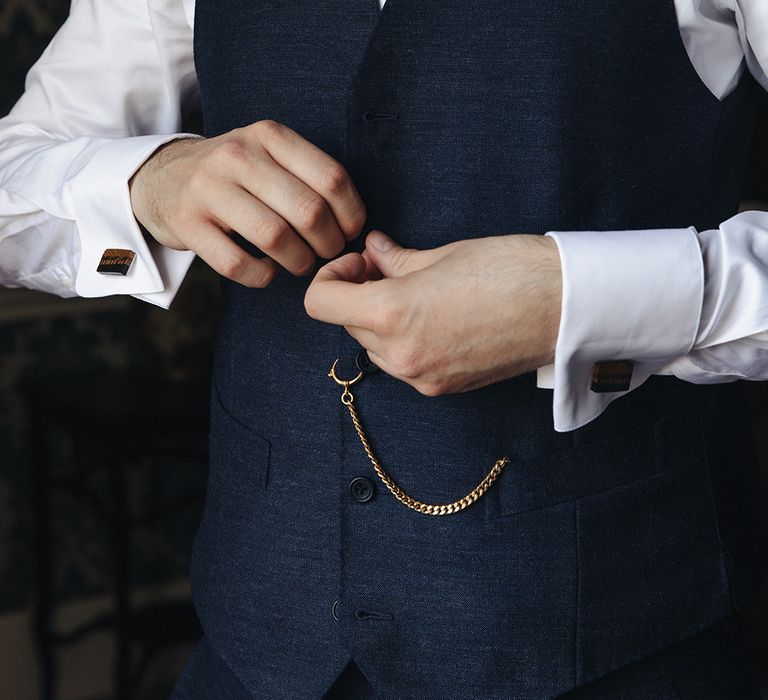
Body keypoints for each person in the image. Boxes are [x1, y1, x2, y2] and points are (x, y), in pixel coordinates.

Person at [1, 0, 767, 697]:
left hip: (625, 640)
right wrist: (149, 180)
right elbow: (14, 173)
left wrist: (572, 301)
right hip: (260, 641)